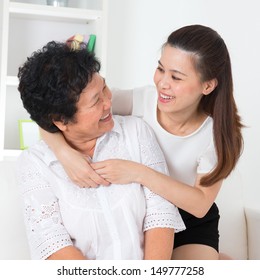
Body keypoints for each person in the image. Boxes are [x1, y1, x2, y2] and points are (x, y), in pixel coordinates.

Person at [40, 24, 244, 260]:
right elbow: (55, 112)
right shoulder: (141, 100)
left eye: (176, 77)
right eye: (160, 69)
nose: (163, 83)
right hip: (141, 214)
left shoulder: (218, 134)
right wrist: (65, 154)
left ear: (207, 85)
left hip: (191, 220)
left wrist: (139, 172)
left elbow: (200, 205)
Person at [16, 41, 185, 260]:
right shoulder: (35, 164)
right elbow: (51, 243)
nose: (108, 102)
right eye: (96, 101)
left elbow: (161, 213)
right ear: (61, 121)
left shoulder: (135, 132)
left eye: (104, 87)